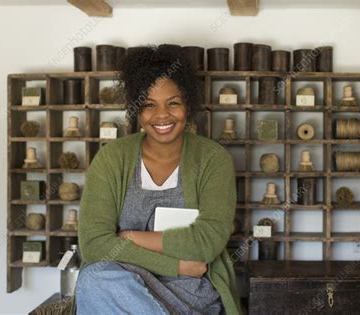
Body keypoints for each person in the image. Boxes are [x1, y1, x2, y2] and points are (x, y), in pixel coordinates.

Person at [73, 45, 241, 315]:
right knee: (95, 278)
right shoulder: (112, 158)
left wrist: (128, 237)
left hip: (190, 291)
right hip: (123, 287)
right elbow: (93, 245)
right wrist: (176, 265)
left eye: (173, 102)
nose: (162, 115)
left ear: (187, 104)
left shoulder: (212, 159)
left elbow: (206, 242)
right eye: (149, 104)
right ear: (137, 109)